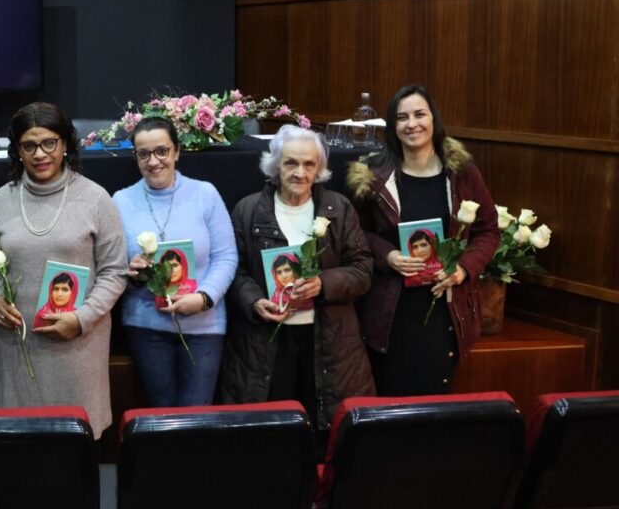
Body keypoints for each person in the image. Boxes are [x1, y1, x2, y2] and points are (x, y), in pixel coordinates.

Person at [218, 124, 374, 438]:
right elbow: (234, 271)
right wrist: (253, 301)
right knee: (271, 434)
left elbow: (363, 268)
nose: (299, 172)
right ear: (276, 164)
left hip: (327, 342)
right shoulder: (247, 210)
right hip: (267, 343)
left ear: (319, 170)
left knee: (319, 436)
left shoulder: (338, 209)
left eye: (308, 164)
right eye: (291, 162)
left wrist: (324, 284)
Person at [0, 102, 127, 439]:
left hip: (77, 348)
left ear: (65, 145)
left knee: (74, 458)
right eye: (29, 145)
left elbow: (114, 272)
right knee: (21, 454)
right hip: (15, 349)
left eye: (49, 142)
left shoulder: (96, 199)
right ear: (17, 150)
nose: (40, 153)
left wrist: (81, 319)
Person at [347, 84, 500, 395]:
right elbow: (356, 232)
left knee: (436, 400)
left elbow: (488, 231)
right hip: (393, 308)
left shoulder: (463, 173)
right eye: (402, 117)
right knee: (393, 400)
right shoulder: (373, 175)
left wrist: (462, 269)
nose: (411, 124)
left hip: (446, 304)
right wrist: (387, 255)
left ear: (434, 119)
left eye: (420, 114)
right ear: (393, 125)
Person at [112, 116, 237, 407]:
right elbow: (111, 267)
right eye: (143, 154)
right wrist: (130, 272)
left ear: (177, 151)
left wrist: (205, 298)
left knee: (196, 417)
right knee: (161, 417)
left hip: (204, 326)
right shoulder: (120, 201)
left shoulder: (205, 194)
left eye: (161, 151)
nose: (153, 161)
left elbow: (226, 256)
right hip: (146, 326)